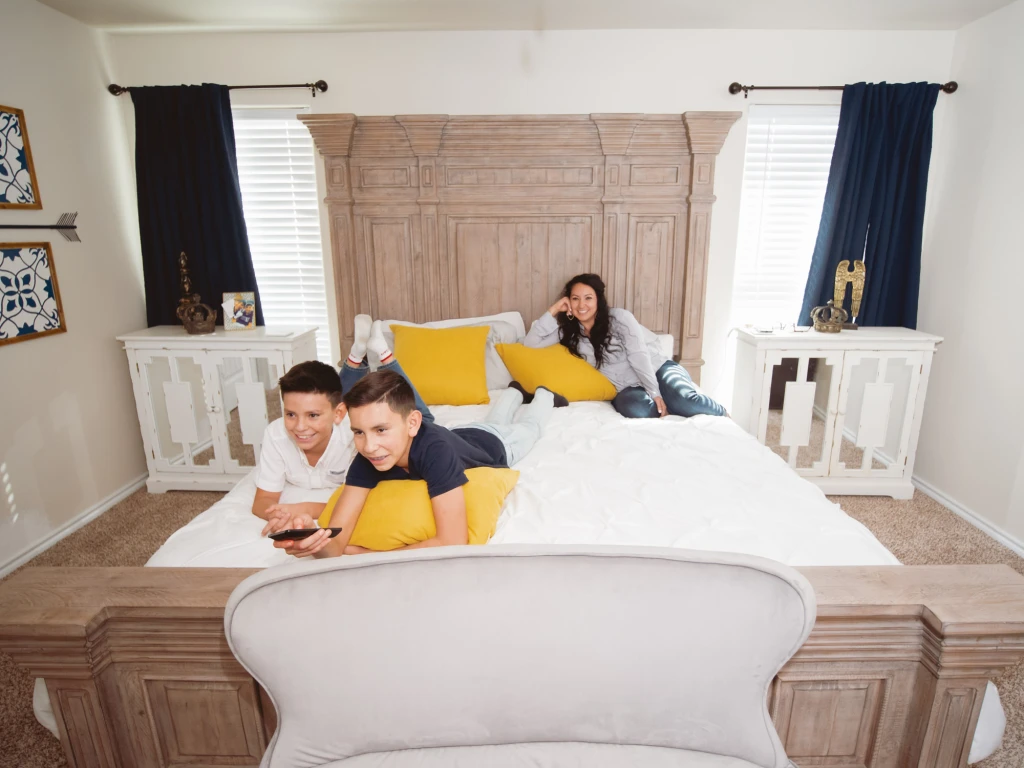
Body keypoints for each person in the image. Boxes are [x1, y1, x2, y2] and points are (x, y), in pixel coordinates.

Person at [261, 370, 556, 558]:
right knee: (495, 417)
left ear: (412, 423)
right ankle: (514, 391)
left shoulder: (434, 453)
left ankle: (544, 393)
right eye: (358, 432)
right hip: (460, 435)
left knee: (530, 426)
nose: (368, 445)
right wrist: (312, 544)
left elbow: (454, 541)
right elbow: (336, 543)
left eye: (381, 430)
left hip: (494, 446)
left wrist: (362, 553)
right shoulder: (368, 457)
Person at [250, 315, 433, 521]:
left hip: (368, 419)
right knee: (342, 397)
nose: (300, 427)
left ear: (340, 414)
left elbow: (366, 501)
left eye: (312, 415)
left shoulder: (360, 436)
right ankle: (356, 355)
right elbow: (262, 500)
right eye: (290, 414)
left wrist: (307, 509)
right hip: (337, 410)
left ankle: (384, 354)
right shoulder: (276, 435)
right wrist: (279, 515)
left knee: (426, 420)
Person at [525, 273, 727, 420]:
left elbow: (639, 356)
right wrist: (553, 310)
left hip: (656, 370)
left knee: (688, 402)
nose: (581, 305)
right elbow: (531, 343)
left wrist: (655, 392)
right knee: (636, 410)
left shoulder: (619, 318)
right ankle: (670, 403)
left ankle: (720, 411)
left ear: (598, 300)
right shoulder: (568, 332)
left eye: (588, 298)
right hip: (627, 387)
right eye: (575, 299)